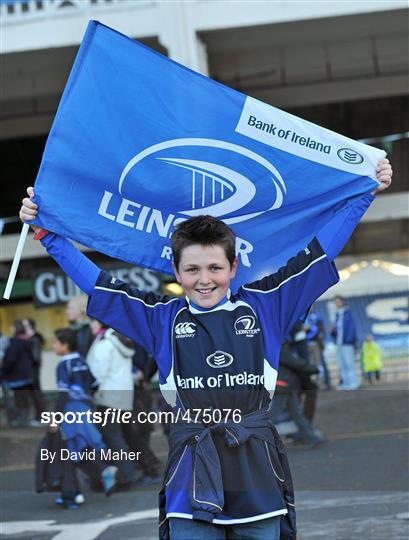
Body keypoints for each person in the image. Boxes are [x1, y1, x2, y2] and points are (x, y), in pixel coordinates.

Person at [19, 159, 392, 540]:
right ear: (176, 271)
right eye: (193, 269)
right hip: (189, 476)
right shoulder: (158, 317)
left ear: (233, 266)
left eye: (215, 267)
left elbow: (319, 254)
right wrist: (47, 235)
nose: (204, 279)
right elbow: (96, 284)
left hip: (257, 475)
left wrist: (364, 196)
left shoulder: (267, 305)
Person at [52, 327, 118, 506]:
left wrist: (55, 418)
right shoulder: (81, 360)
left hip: (71, 411)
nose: (53, 346)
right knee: (86, 446)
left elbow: (63, 394)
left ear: (65, 345)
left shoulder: (63, 365)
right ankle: (102, 472)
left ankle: (72, 494)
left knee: (70, 449)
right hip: (87, 408)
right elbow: (94, 383)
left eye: (56, 343)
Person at [86, 318, 136, 488]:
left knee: (112, 439)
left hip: (107, 397)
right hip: (123, 397)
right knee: (118, 438)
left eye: (92, 322)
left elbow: (97, 372)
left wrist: (88, 390)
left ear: (99, 323)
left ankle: (124, 477)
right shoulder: (120, 340)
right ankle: (124, 475)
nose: (90, 326)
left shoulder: (105, 343)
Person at [271, 342, 323, 448]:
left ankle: (312, 437)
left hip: (284, 385)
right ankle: (256, 440)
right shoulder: (278, 348)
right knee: (271, 417)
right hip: (282, 384)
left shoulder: (273, 346)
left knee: (296, 413)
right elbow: (294, 362)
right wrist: (313, 369)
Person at [1, 320, 40, 426]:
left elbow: (11, 359)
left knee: (19, 400)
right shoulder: (27, 342)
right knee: (25, 399)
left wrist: (4, 369)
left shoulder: (14, 343)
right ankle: (25, 420)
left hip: (17, 376)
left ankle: (22, 421)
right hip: (27, 375)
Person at [331, 295, 360, 390]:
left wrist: (350, 340)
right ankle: (345, 383)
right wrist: (333, 332)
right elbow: (337, 329)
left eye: (338, 301)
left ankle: (353, 382)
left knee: (349, 363)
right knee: (341, 364)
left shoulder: (347, 312)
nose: (337, 303)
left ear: (343, 302)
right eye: (335, 302)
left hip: (346, 342)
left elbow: (351, 328)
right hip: (338, 343)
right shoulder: (336, 314)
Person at [22, 317, 47, 424]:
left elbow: (36, 357)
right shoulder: (29, 338)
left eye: (25, 325)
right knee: (34, 394)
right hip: (31, 369)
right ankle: (39, 417)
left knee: (37, 394)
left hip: (33, 369)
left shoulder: (35, 338)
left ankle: (41, 417)